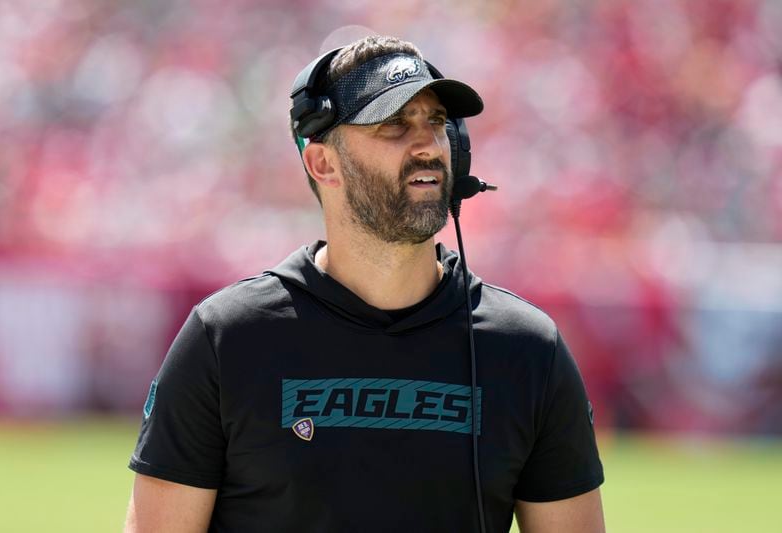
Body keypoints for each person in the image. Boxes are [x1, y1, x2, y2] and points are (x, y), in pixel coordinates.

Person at [124, 35, 605, 533]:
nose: (427, 146)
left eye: (436, 123)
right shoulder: (225, 338)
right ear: (322, 163)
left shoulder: (529, 350)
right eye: (394, 124)